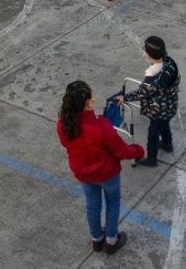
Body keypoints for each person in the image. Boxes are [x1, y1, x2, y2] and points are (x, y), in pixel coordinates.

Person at [57, 80, 143, 254]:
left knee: (92, 204)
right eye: (91, 96)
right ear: (88, 102)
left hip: (83, 173)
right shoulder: (101, 126)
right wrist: (139, 150)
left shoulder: (63, 123)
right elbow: (120, 151)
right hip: (107, 174)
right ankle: (111, 240)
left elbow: (66, 143)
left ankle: (96, 238)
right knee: (112, 203)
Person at [119, 36, 180, 168]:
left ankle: (151, 158)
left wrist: (125, 98)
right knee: (164, 124)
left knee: (153, 134)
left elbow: (142, 93)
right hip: (170, 106)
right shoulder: (170, 63)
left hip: (158, 110)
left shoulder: (153, 78)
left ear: (150, 55)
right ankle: (167, 144)